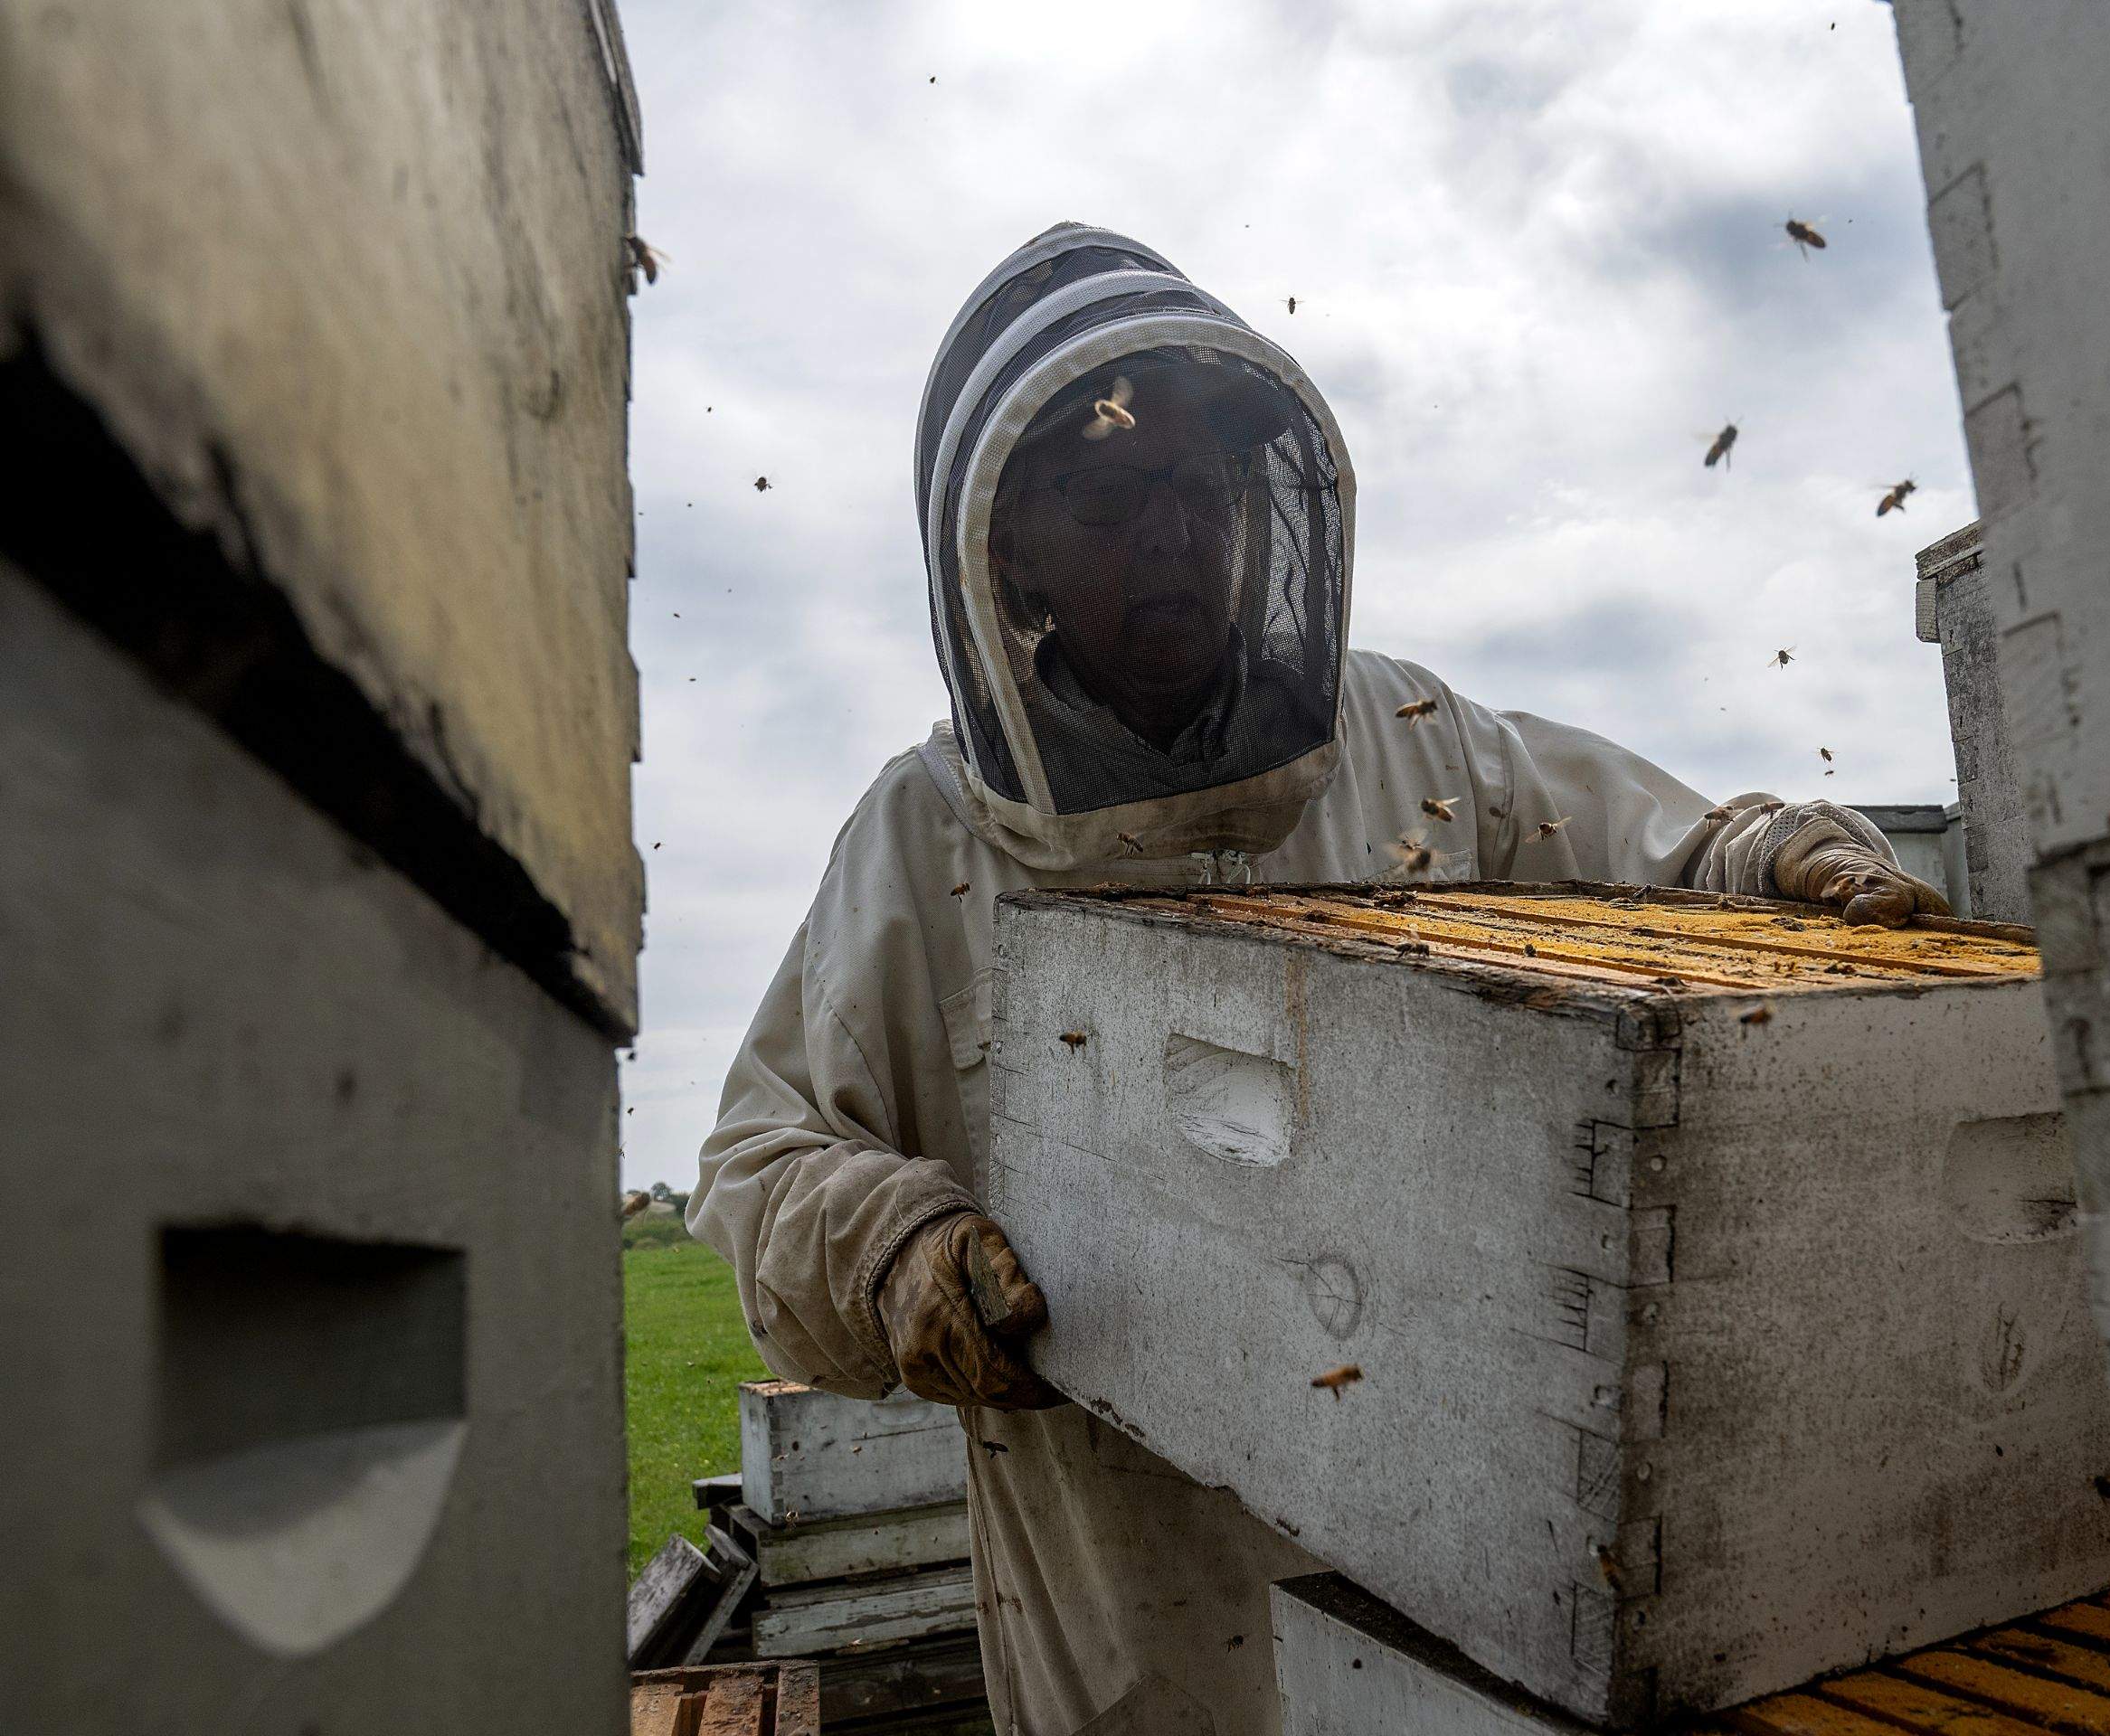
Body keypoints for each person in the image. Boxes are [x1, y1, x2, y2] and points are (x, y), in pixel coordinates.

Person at [688, 223, 1947, 1736]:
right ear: (1008, 542)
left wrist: (1776, 862)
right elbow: (762, 1166)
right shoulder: (926, 833)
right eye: (1105, 494)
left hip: (1460, 1565)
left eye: (1200, 489)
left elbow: (1659, 848)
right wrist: (893, 1252)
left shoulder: (1414, 741)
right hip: (1128, 1595)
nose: (1170, 535)